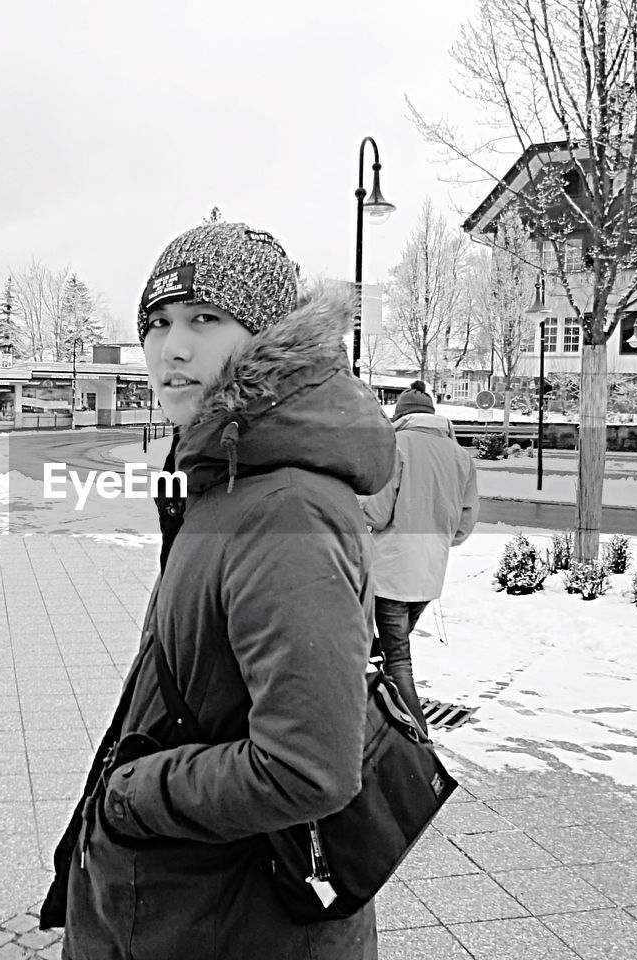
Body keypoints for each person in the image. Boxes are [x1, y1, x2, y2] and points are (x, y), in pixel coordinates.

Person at [41, 222, 395, 959]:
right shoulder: (226, 479)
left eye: (205, 319)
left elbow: (306, 767)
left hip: (233, 921)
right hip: (196, 907)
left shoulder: (284, 506)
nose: (172, 348)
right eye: (158, 323)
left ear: (268, 338)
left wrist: (131, 798)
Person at [359, 392, 479, 729]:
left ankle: (417, 737)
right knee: (387, 650)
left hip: (392, 571)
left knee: (396, 660)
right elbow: (465, 520)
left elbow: (379, 514)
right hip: (430, 574)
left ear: (401, 415)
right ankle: (384, 720)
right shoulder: (460, 456)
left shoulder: (396, 446)